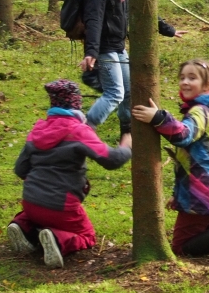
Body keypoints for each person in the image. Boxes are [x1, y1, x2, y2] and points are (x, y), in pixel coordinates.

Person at [8, 80, 131, 269]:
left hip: (30, 201)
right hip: (62, 205)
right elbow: (111, 160)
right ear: (77, 103)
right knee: (87, 236)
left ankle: (22, 227)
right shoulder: (78, 131)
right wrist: (126, 146)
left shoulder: (38, 129)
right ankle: (57, 240)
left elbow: (20, 169)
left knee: (38, 216)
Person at [80, 0, 186, 146]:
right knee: (115, 93)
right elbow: (94, 17)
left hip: (118, 44)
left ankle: (127, 134)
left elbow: (140, 10)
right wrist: (91, 51)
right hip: (104, 45)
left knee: (128, 92)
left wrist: (168, 30)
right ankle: (82, 131)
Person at [132, 59, 209, 257]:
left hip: (202, 192)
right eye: (182, 77)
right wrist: (178, 196)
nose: (185, 82)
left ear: (207, 85)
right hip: (208, 189)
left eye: (192, 78)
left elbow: (184, 135)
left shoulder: (200, 111)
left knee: (180, 247)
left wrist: (159, 118)